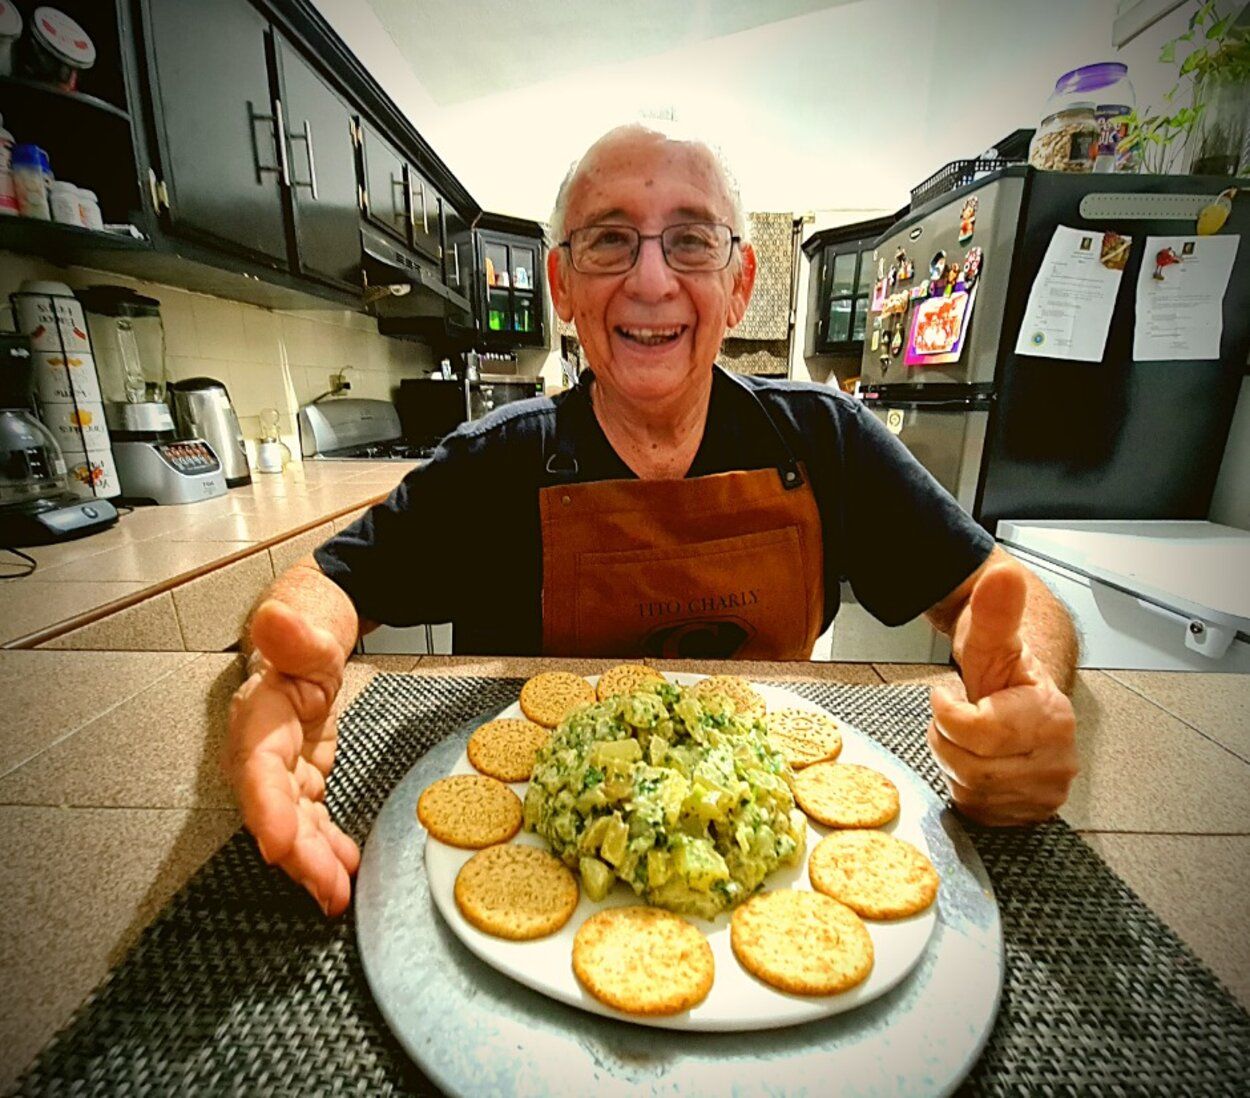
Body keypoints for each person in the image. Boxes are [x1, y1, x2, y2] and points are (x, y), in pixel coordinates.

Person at [224, 123, 1079, 917]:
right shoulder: (492, 464)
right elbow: (325, 587)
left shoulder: (827, 441)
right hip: (542, 856)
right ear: (562, 286)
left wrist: (1024, 692)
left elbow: (1006, 599)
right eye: (609, 240)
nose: (652, 279)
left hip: (753, 852)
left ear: (738, 284)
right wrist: (284, 675)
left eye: (692, 240)